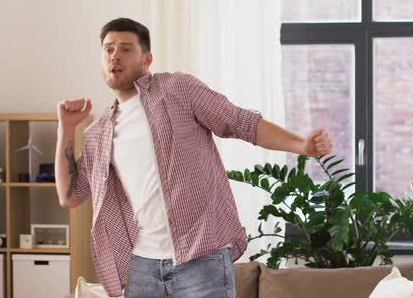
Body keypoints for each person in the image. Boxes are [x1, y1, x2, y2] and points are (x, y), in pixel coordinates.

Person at [55, 18, 332, 298]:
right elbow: (71, 196)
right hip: (141, 266)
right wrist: (66, 128)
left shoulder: (179, 90)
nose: (115, 55)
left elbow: (240, 122)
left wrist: (301, 144)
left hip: (201, 259)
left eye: (126, 49)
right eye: (108, 49)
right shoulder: (98, 133)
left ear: (147, 59)